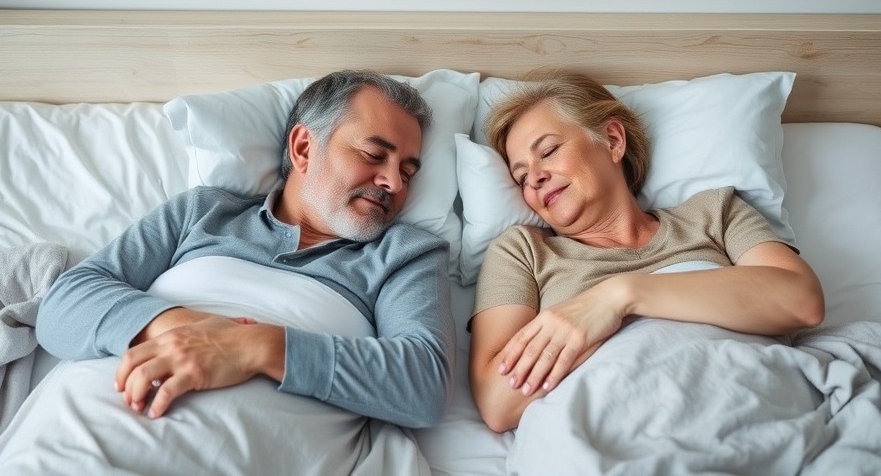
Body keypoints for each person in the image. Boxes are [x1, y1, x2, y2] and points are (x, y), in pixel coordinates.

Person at [35, 70, 455, 429]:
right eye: (374, 154)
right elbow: (63, 305)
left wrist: (254, 346)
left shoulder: (405, 254)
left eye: (407, 172)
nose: (394, 183)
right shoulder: (203, 211)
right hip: (79, 430)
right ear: (304, 148)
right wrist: (182, 329)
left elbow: (423, 384)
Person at [468, 72, 824, 433]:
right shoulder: (524, 252)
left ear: (612, 140)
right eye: (521, 177)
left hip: (751, 409)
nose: (535, 179)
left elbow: (802, 301)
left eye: (548, 151)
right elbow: (498, 403)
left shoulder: (714, 213)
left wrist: (617, 299)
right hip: (619, 431)